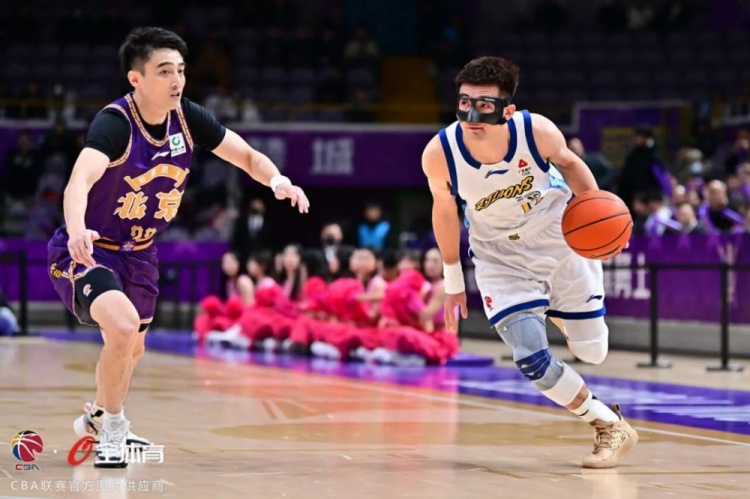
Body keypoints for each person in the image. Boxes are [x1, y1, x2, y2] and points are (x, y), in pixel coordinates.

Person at [47, 27, 309, 468]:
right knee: (122, 326)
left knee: (131, 349)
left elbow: (247, 156)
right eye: (165, 71)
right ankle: (113, 430)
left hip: (140, 252)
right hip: (91, 247)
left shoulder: (187, 117)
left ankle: (99, 418)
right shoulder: (115, 123)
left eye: (181, 71)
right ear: (136, 78)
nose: (177, 81)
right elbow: (79, 181)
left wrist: (277, 180)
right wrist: (76, 230)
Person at [421, 56, 637, 469]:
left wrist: (602, 224)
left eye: (484, 105)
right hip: (499, 255)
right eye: (464, 103)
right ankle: (608, 424)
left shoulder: (535, 131)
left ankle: (556, 311)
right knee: (530, 356)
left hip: (557, 238)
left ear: (507, 110)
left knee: (592, 352)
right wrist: (453, 281)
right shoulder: (440, 153)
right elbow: (444, 211)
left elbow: (571, 165)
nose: (471, 115)